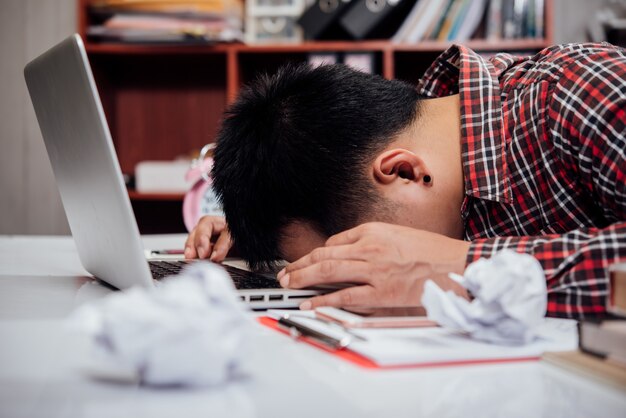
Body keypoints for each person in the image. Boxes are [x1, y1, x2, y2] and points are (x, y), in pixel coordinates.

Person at [184, 43, 626, 319]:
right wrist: (260, 237)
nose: (371, 263)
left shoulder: (582, 93)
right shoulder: (429, 145)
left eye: (362, 246)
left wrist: (467, 270)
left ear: (403, 171)